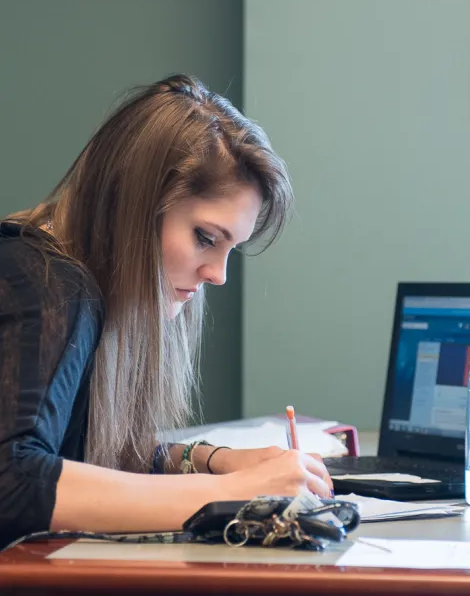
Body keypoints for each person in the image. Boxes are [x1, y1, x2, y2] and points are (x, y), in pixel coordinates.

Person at [0, 74, 332, 549]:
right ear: (131, 207)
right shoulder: (47, 285)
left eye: (230, 249)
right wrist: (229, 493)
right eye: (204, 238)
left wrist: (215, 460)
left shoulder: (72, 283)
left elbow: (86, 453)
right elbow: (12, 480)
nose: (218, 274)